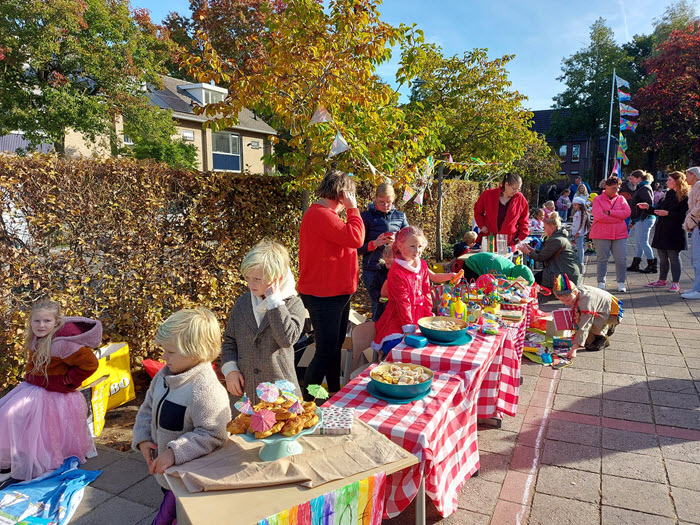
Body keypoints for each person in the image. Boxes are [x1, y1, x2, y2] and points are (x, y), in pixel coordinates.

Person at [133, 308, 231, 525]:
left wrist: (174, 453)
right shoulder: (164, 375)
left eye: (171, 352)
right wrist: (142, 438)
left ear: (197, 351)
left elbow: (214, 434)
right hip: (166, 473)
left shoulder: (206, 390)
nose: (163, 357)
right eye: (164, 350)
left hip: (187, 477)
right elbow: (148, 407)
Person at [0, 300, 100, 485]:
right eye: (37, 321)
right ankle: (13, 459)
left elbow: (90, 364)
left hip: (56, 393)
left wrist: (68, 380)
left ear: (56, 322)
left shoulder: (64, 345)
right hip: (36, 387)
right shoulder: (37, 338)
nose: (41, 325)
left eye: (47, 321)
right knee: (9, 416)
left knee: (41, 427)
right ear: (30, 321)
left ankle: (38, 460)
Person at [297, 169, 364, 396]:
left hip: (336, 294)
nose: (350, 202)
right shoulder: (320, 214)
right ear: (343, 194)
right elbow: (355, 238)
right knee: (325, 351)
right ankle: (308, 400)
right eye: (350, 196)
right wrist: (354, 209)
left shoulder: (327, 215)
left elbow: (347, 243)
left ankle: (334, 393)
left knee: (334, 349)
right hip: (324, 295)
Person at [222, 239, 305, 405]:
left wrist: (274, 302)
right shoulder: (243, 303)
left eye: (257, 279)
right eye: (247, 277)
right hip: (245, 395)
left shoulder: (293, 304)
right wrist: (230, 370)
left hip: (281, 396)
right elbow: (230, 341)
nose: (250, 284)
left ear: (278, 278)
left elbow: (286, 339)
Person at [371, 226, 433, 355]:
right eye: (412, 246)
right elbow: (402, 302)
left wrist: (428, 318)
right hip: (398, 319)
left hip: (419, 315)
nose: (417, 251)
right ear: (399, 246)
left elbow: (426, 292)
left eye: (420, 246)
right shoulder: (397, 271)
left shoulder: (423, 265)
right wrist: (408, 327)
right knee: (402, 349)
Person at [358, 183, 408, 319]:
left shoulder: (400, 216)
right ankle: (377, 338)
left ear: (394, 200)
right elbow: (356, 247)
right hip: (373, 268)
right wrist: (374, 244)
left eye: (389, 202)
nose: (386, 205)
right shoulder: (366, 217)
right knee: (378, 306)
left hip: (397, 268)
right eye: (381, 202)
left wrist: (397, 242)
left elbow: (410, 241)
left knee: (399, 305)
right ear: (375, 199)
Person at [641, 171, 689, 293]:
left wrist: (668, 213)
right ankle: (662, 280)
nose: (667, 182)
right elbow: (659, 210)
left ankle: (676, 282)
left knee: (674, 257)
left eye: (670, 180)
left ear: (677, 182)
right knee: (662, 257)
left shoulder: (684, 196)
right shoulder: (668, 194)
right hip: (662, 229)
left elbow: (684, 215)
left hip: (675, 231)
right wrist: (648, 208)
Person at [553, 276, 622, 358]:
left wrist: (574, 349)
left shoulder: (587, 303)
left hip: (614, 314)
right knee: (581, 323)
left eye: (567, 300)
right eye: (562, 300)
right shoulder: (577, 292)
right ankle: (606, 326)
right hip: (604, 309)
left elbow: (584, 325)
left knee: (587, 325)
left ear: (575, 292)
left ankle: (602, 338)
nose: (566, 303)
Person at [519, 212, 581, 290]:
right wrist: (532, 249)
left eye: (545, 228)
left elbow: (541, 257)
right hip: (567, 271)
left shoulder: (556, 240)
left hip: (565, 274)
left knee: (532, 280)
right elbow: (546, 253)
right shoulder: (559, 237)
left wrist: (527, 251)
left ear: (551, 227)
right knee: (536, 278)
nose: (543, 230)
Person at [590, 176, 631, 292]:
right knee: (602, 258)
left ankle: (621, 282)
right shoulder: (598, 199)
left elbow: (627, 212)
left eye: (618, 188)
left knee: (621, 259)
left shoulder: (621, 199)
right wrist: (618, 218)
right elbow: (599, 216)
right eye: (614, 188)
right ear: (606, 187)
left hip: (619, 233)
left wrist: (610, 213)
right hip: (601, 234)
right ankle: (601, 281)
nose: (616, 191)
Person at [473, 173, 529, 247]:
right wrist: (482, 225)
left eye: (518, 189)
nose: (516, 191)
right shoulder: (488, 194)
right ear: (506, 184)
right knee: (490, 258)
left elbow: (524, 220)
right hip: (490, 238)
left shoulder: (520, 198)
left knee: (505, 259)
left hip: (509, 241)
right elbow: (477, 211)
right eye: (514, 189)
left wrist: (521, 236)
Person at [626, 170, 657, 273]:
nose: (631, 181)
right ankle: (636, 264)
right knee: (639, 243)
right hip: (642, 219)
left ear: (639, 178)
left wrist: (641, 217)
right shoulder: (642, 188)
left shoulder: (644, 188)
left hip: (645, 219)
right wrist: (635, 221)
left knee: (643, 242)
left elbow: (648, 204)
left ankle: (652, 265)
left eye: (632, 178)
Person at [461, 251, 535, 285]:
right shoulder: (500, 270)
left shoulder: (511, 267)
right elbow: (494, 284)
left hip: (480, 260)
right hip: (472, 265)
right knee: (474, 290)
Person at [682, 167, 700, 299]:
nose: (685, 178)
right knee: (695, 258)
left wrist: (691, 217)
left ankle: (698, 290)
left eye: (687, 175)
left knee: (697, 259)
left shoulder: (699, 185)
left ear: (693, 175)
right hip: (696, 225)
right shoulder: (696, 186)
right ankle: (696, 287)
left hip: (698, 224)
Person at [368, 244, 394, 322]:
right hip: (382, 310)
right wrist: (379, 297)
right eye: (387, 263)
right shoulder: (381, 271)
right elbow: (372, 289)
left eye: (392, 263)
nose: (389, 266)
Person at [571, 196, 590, 267]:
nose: (574, 206)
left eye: (575, 205)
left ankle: (580, 261)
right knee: (578, 246)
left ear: (580, 205)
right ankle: (578, 259)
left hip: (578, 233)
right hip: (575, 232)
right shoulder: (578, 212)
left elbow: (582, 224)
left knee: (579, 246)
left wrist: (578, 232)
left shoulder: (583, 213)